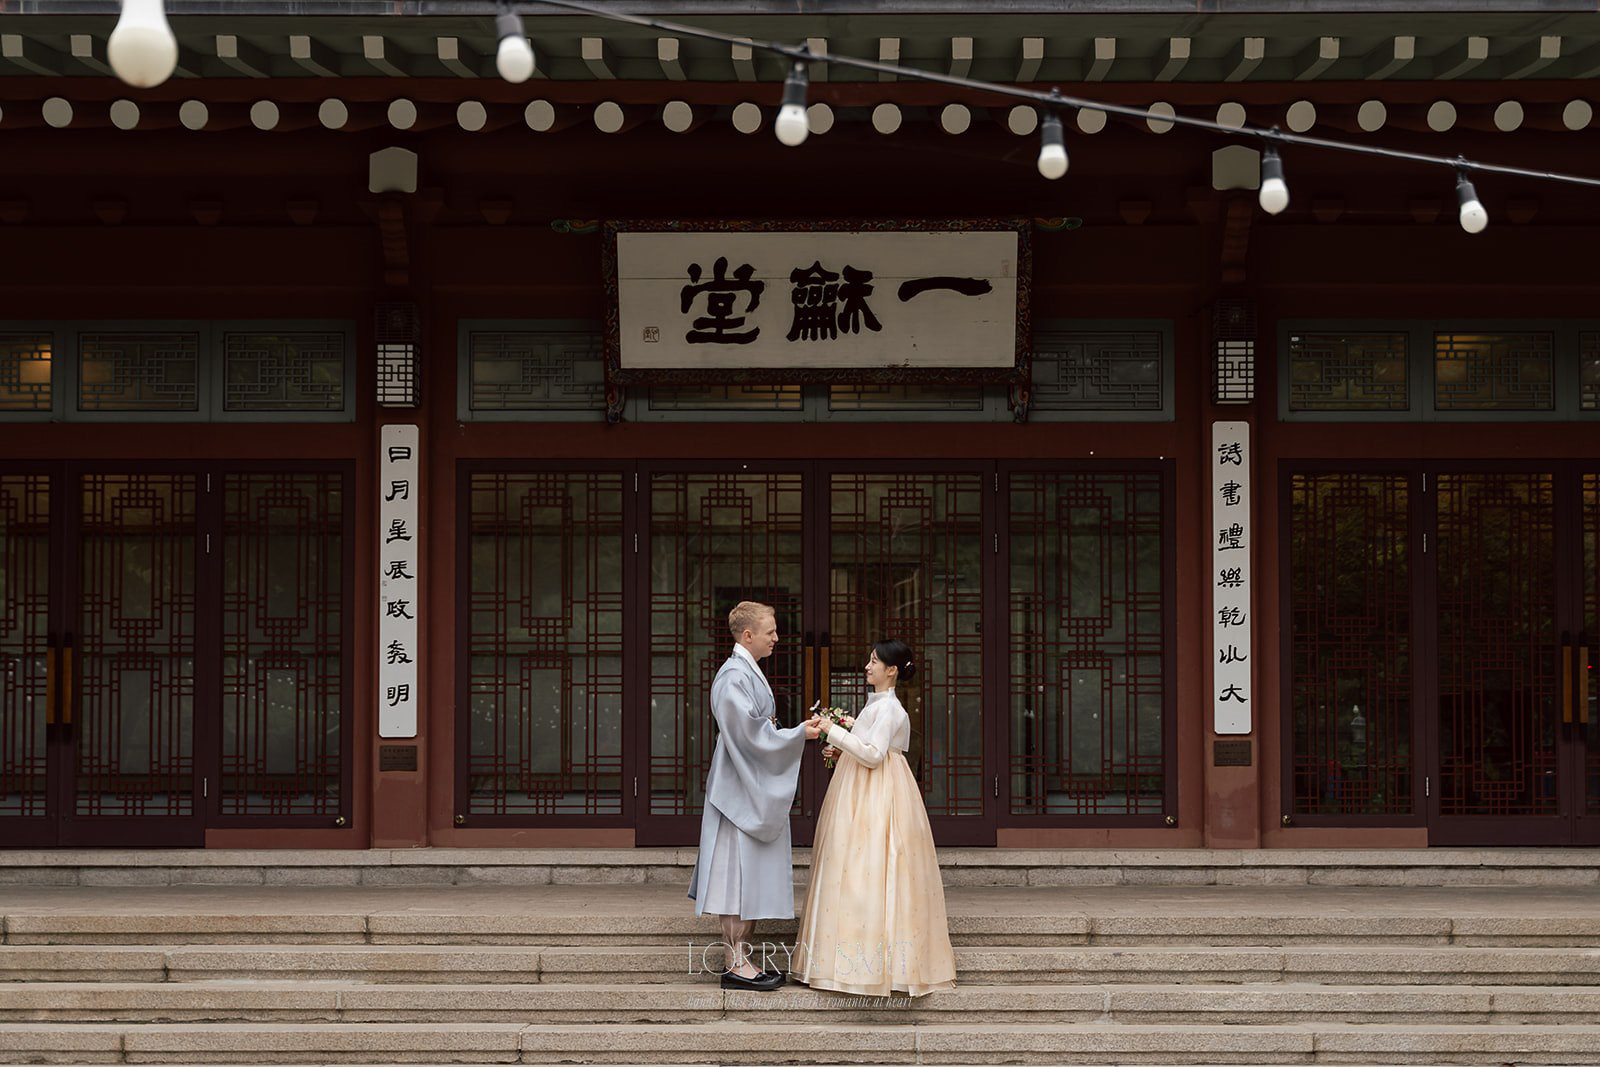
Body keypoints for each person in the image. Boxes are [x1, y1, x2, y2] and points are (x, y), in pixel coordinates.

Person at [791, 639, 957, 997]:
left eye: (874, 661)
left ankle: (873, 966)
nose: (867, 666)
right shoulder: (877, 705)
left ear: (891, 670)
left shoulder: (892, 709)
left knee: (874, 865)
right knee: (853, 866)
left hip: (878, 791)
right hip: (863, 789)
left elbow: (873, 755)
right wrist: (844, 736)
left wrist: (832, 731)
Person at [687, 600, 824, 991]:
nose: (776, 638)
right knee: (733, 879)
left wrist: (796, 731)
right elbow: (748, 734)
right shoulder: (732, 677)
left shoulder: (744, 672)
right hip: (737, 789)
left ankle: (742, 958)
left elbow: (756, 730)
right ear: (748, 635)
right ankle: (735, 962)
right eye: (771, 632)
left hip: (744, 782)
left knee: (744, 879)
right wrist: (799, 734)